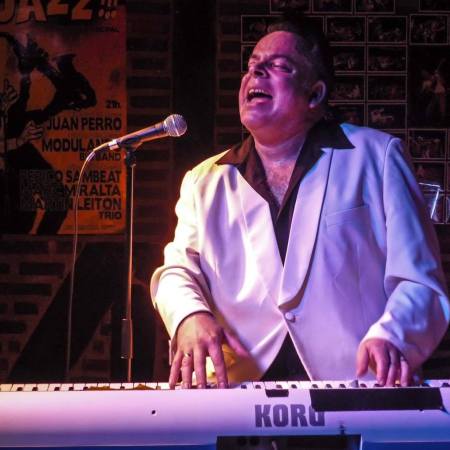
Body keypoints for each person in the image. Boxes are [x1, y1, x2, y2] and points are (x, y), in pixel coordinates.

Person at [151, 13, 449, 389]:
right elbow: (177, 271)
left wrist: (393, 336)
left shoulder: (378, 157)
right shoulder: (204, 180)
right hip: (237, 392)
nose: (256, 73)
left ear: (315, 94)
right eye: (252, 65)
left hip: (357, 386)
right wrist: (189, 316)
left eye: (279, 66)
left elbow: (420, 281)